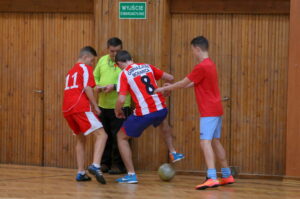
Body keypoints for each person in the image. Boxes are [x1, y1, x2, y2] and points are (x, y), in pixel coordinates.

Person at [155, 36, 235, 190]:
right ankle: (227, 175)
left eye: (192, 50)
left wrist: (164, 89)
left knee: (205, 142)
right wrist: (174, 86)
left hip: (208, 111)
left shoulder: (201, 66)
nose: (193, 53)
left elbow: (184, 82)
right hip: (217, 109)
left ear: (197, 49)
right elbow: (193, 83)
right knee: (215, 141)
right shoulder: (210, 64)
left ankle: (211, 177)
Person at [114, 50, 185, 184]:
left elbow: (122, 99)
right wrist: (167, 89)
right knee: (162, 120)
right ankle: (173, 152)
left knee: (121, 137)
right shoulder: (147, 66)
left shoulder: (124, 74)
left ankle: (131, 174)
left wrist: (117, 110)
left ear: (119, 63)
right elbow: (170, 78)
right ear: (132, 58)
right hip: (161, 109)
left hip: (144, 113)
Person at [62, 46, 107, 184]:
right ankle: (95, 165)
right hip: (80, 106)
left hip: (67, 109)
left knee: (81, 139)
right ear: (86, 57)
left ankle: (81, 172)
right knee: (102, 135)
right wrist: (94, 105)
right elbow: (87, 87)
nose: (92, 63)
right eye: (92, 61)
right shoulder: (85, 68)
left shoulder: (70, 72)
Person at [93, 37, 131, 174]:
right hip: (103, 105)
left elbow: (130, 81)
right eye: (112, 51)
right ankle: (104, 164)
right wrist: (97, 86)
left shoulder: (126, 63)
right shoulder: (102, 60)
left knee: (119, 137)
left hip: (121, 106)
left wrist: (114, 87)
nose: (114, 54)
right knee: (105, 136)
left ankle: (119, 165)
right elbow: (94, 77)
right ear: (107, 49)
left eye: (117, 51)